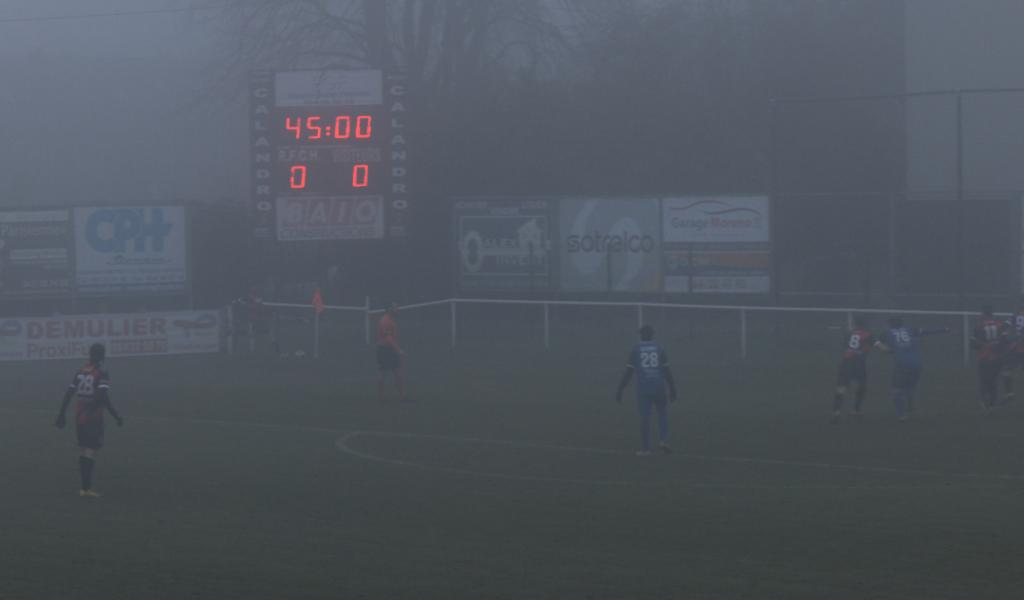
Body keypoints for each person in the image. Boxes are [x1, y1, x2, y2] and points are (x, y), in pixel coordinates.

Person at [54, 343, 123, 497]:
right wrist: (115, 415)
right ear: (103, 356)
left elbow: (69, 392)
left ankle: (85, 487)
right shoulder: (102, 373)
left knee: (85, 448)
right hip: (93, 417)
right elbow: (103, 397)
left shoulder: (81, 372)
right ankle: (86, 489)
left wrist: (62, 414)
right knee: (90, 450)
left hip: (79, 416)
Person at [615, 325, 678, 456]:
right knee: (662, 414)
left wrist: (620, 389)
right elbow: (667, 370)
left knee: (645, 418)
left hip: (644, 389)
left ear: (641, 335)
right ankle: (663, 440)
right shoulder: (660, 349)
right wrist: (672, 388)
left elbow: (629, 372)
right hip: (659, 387)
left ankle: (645, 449)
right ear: (653, 334)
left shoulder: (636, 350)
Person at [874, 317, 949, 421]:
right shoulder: (909, 330)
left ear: (889, 325)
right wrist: (944, 329)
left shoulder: (886, 333)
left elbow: (882, 347)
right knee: (909, 386)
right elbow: (927, 331)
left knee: (896, 390)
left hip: (902, 365)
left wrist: (885, 348)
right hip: (916, 364)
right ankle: (910, 402)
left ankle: (902, 415)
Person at [832, 316, 875, 423]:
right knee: (862, 385)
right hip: (859, 364)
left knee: (841, 387)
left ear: (855, 325)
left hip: (846, 362)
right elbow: (875, 346)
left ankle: (836, 411)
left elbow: (847, 345)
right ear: (865, 325)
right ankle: (857, 409)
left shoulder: (849, 334)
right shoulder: (868, 335)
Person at [972, 305, 1011, 410]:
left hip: (983, 357)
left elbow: (974, 344)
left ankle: (984, 402)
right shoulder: (1000, 324)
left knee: (983, 381)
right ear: (992, 314)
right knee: (993, 381)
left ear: (983, 314)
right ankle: (992, 404)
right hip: (996, 358)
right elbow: (1005, 341)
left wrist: (983, 345)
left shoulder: (979, 326)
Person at [376, 303, 407, 402]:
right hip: (385, 349)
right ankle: (381, 398)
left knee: (396, 372)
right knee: (385, 373)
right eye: (395, 307)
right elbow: (388, 338)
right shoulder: (385, 321)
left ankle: (401, 397)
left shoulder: (390, 319)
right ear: (389, 309)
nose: (397, 309)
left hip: (388, 349)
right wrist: (398, 349)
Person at [1000, 300, 1024, 403]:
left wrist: (1006, 337)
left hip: (1016, 348)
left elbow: (1004, 326)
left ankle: (1009, 393)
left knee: (1007, 371)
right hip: (1018, 347)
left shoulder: (1014, 317)